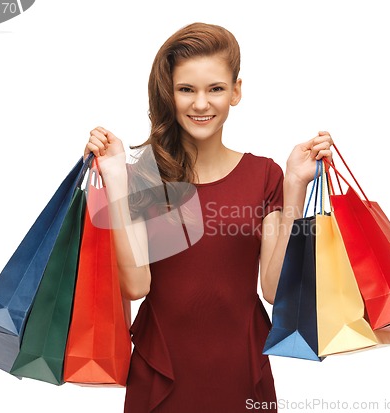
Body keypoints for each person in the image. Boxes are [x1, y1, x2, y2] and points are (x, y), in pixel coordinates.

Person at [84, 22, 332, 413]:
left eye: (215, 88)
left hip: (241, 371)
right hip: (160, 374)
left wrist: (295, 188)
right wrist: (116, 177)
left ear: (236, 91)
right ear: (170, 94)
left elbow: (272, 288)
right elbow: (136, 285)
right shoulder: (145, 178)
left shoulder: (264, 175)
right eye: (186, 89)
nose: (201, 104)